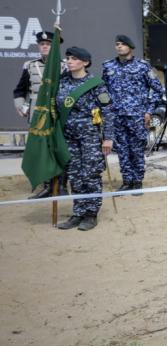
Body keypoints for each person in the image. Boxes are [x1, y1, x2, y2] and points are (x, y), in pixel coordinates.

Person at [56, 47, 115, 232]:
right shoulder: (61, 82)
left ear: (85, 62)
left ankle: (91, 214)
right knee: (74, 174)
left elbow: (108, 111)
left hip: (89, 135)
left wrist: (108, 138)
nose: (69, 61)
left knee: (90, 174)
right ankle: (78, 212)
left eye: (74, 59)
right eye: (68, 58)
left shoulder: (95, 83)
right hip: (68, 136)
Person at [101, 34, 165, 191]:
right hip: (116, 115)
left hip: (138, 116)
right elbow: (103, 90)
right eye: (117, 44)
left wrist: (149, 111)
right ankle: (127, 181)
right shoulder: (108, 66)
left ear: (130, 47)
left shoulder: (142, 66)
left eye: (122, 44)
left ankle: (137, 181)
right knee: (122, 150)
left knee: (136, 149)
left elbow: (157, 89)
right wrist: (106, 111)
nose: (119, 46)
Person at [14, 28, 66, 199]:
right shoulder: (29, 65)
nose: (44, 46)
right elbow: (19, 90)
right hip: (37, 114)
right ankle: (47, 185)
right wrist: (21, 106)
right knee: (42, 148)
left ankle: (61, 184)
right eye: (42, 44)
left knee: (59, 147)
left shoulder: (64, 66)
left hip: (58, 113)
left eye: (48, 44)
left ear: (55, 47)